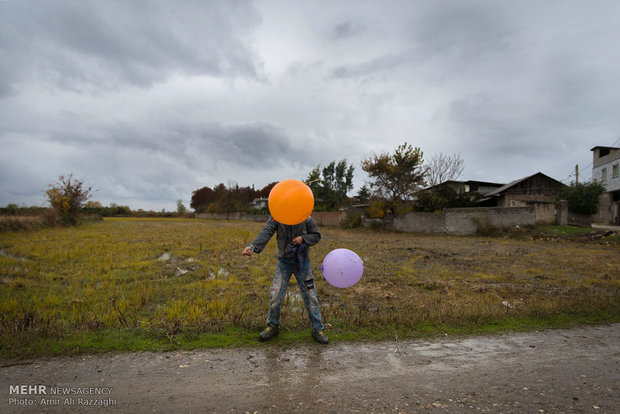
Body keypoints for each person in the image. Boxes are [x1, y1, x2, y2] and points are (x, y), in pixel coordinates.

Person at [242, 215, 328, 344]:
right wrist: (253, 246)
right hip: (284, 264)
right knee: (275, 296)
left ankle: (317, 329)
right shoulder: (277, 216)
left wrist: (303, 239)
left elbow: (316, 235)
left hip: (303, 264)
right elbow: (267, 231)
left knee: (311, 297)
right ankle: (272, 326)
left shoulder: (305, 217)